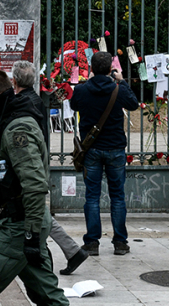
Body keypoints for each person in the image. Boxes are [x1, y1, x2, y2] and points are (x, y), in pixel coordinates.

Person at [0, 69, 68, 306]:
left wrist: (31, 234)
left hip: (20, 225)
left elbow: (35, 184)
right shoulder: (2, 122)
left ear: (1, 96)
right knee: (47, 297)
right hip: (15, 221)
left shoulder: (18, 129)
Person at [11, 61, 88, 276]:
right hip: (37, 163)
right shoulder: (35, 101)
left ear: (14, 81)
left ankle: (66, 253)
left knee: (37, 212)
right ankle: (73, 251)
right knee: (39, 213)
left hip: (30, 165)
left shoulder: (21, 103)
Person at [69, 51, 139, 257]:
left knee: (92, 196)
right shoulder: (118, 89)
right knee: (117, 196)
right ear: (110, 69)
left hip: (91, 150)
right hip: (115, 149)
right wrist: (123, 81)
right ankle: (120, 242)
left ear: (91, 68)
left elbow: (73, 105)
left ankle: (92, 242)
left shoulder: (82, 90)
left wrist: (87, 82)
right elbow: (134, 104)